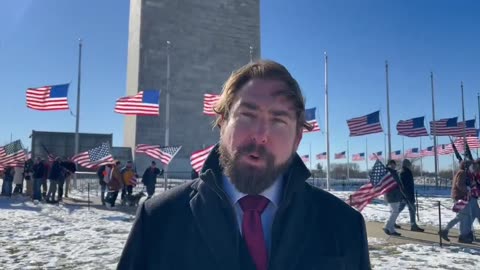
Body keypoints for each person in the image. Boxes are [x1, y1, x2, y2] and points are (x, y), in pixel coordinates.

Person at [118, 60, 370, 269]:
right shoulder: (158, 218)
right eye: (247, 115)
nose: (260, 134)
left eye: (279, 121)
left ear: (297, 138)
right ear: (222, 123)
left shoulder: (344, 224)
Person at [440, 160, 475, 243]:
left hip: (462, 197)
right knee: (461, 216)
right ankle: (445, 230)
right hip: (461, 197)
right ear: (466, 166)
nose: (472, 168)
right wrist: (467, 189)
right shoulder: (462, 173)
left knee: (463, 217)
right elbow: (459, 184)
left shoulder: (462, 173)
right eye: (470, 166)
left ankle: (462, 236)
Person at [398, 159, 424, 232]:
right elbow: (404, 185)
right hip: (407, 195)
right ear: (406, 165)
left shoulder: (404, 171)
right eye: (409, 164)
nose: (410, 165)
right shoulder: (404, 172)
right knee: (412, 209)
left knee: (400, 209)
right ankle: (413, 225)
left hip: (406, 194)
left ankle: (392, 222)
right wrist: (407, 195)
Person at [383, 159, 404, 236]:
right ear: (388, 165)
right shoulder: (388, 173)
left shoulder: (394, 172)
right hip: (391, 195)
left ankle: (391, 229)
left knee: (394, 212)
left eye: (394, 164)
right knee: (395, 212)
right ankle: (387, 226)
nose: (393, 165)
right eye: (391, 164)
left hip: (397, 195)